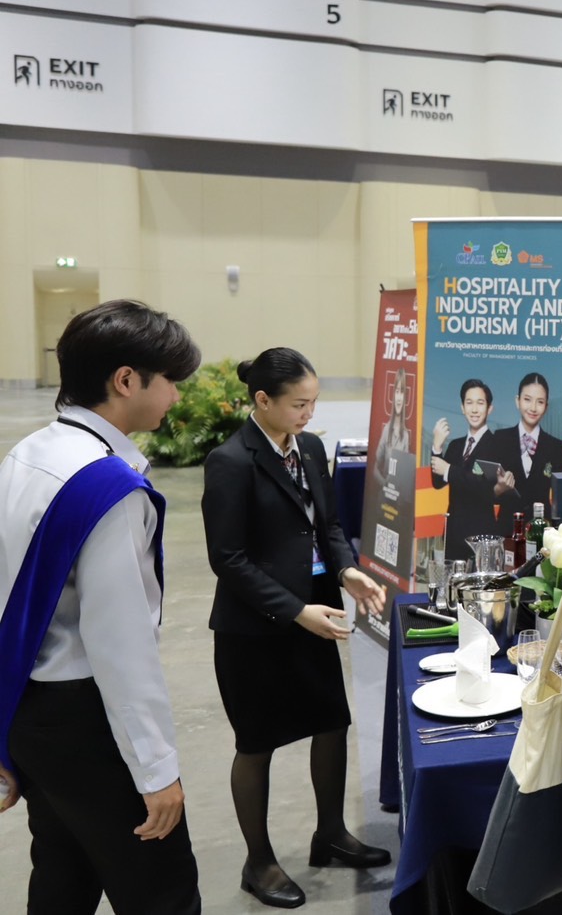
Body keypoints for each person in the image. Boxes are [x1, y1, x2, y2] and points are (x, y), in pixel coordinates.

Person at [0, 299, 203, 914]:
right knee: (163, 893)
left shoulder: (28, 453)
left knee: (62, 875)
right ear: (126, 380)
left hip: (29, 712)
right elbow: (121, 647)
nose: (175, 395)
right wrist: (156, 770)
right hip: (88, 724)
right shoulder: (109, 488)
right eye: (170, 380)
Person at [202, 348, 390, 908]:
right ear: (263, 401)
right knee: (257, 743)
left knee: (331, 723)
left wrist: (347, 570)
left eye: (313, 403)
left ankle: (330, 834)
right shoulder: (231, 461)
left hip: (315, 612)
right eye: (298, 405)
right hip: (255, 628)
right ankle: (258, 862)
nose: (309, 414)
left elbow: (327, 525)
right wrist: (294, 610)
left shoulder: (308, 448)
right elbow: (229, 559)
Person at [430, 378, 507, 558]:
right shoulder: (455, 445)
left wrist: (449, 470)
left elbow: (484, 485)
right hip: (453, 535)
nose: (474, 409)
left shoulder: (496, 444)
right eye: (469, 403)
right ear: (462, 408)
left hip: (481, 536)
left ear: (489, 408)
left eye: (480, 403)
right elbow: (437, 482)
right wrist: (437, 448)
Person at [493, 372, 562, 526]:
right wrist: (499, 488)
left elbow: (561, 499)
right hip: (506, 528)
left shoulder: (555, 446)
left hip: (543, 530)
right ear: (517, 401)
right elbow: (485, 493)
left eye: (540, 402)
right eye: (527, 399)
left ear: (546, 407)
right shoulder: (499, 439)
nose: (533, 408)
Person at [372, 368, 412, 489]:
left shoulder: (405, 436)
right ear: (393, 394)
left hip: (399, 495)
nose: (399, 397)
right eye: (397, 391)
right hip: (385, 494)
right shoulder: (386, 430)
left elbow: (405, 473)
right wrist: (384, 484)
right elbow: (375, 469)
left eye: (402, 392)